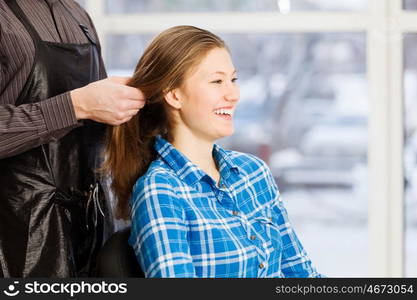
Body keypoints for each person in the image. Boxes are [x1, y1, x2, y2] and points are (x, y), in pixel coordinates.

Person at [104, 25, 322, 278]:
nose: (233, 94)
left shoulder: (253, 172)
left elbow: (302, 274)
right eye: (217, 81)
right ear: (174, 95)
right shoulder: (160, 191)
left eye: (233, 80)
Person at [0, 0, 145, 277]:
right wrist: (75, 107)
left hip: (90, 222)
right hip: (16, 232)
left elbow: (100, 122)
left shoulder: (77, 14)